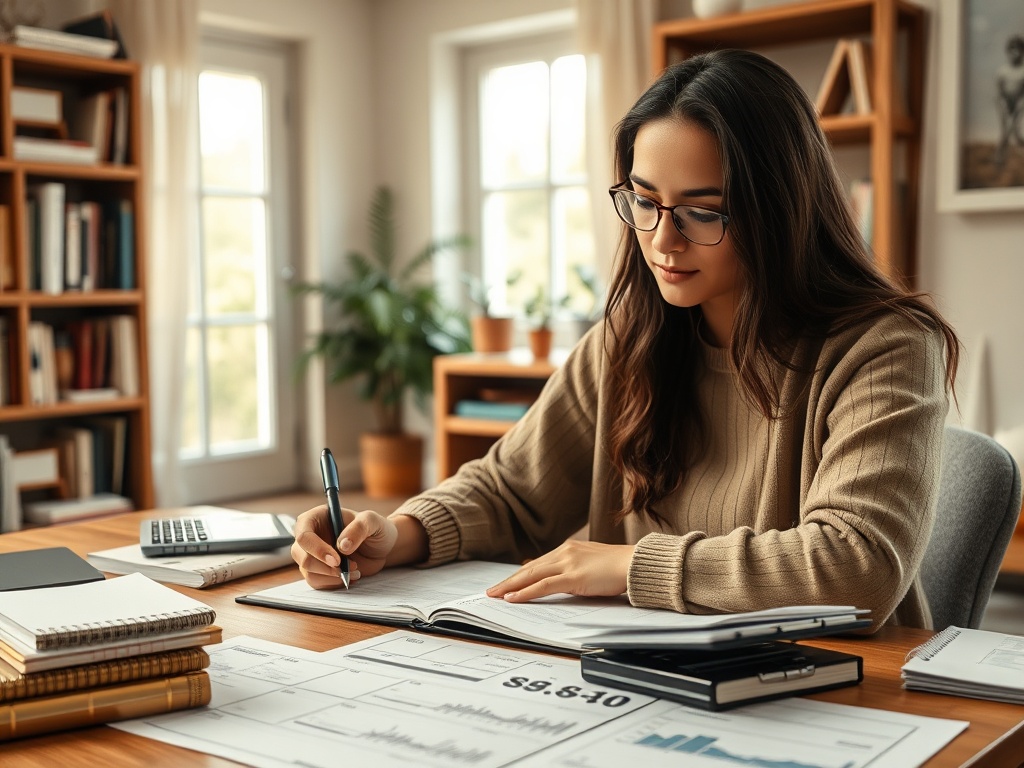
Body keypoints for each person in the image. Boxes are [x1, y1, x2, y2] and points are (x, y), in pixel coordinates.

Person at [291, 49, 959, 631]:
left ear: (781, 208)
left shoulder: (884, 347)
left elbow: (857, 567)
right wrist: (395, 534)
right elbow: (511, 492)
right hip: (644, 680)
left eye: (702, 212)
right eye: (643, 201)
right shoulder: (629, 340)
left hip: (835, 690)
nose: (662, 241)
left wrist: (630, 566)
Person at [996, 35, 1024, 166]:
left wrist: (1020, 104)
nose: (1015, 53)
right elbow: (999, 92)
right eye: (1012, 49)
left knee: (1016, 130)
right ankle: (999, 159)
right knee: (1005, 131)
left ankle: (1019, 151)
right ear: (1008, 52)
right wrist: (1003, 105)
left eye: (1019, 49)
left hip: (1019, 103)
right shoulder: (1002, 71)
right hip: (1004, 104)